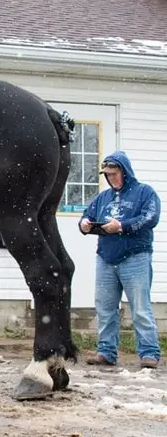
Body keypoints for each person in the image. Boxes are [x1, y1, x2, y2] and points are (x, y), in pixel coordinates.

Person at [79, 150, 161, 369]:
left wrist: (122, 226)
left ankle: (149, 353)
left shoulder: (145, 193)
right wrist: (85, 225)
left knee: (140, 308)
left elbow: (150, 218)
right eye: (107, 174)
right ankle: (106, 352)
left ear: (125, 172)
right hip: (105, 258)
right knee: (105, 308)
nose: (111, 177)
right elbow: (86, 216)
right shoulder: (102, 198)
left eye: (114, 173)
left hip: (135, 257)